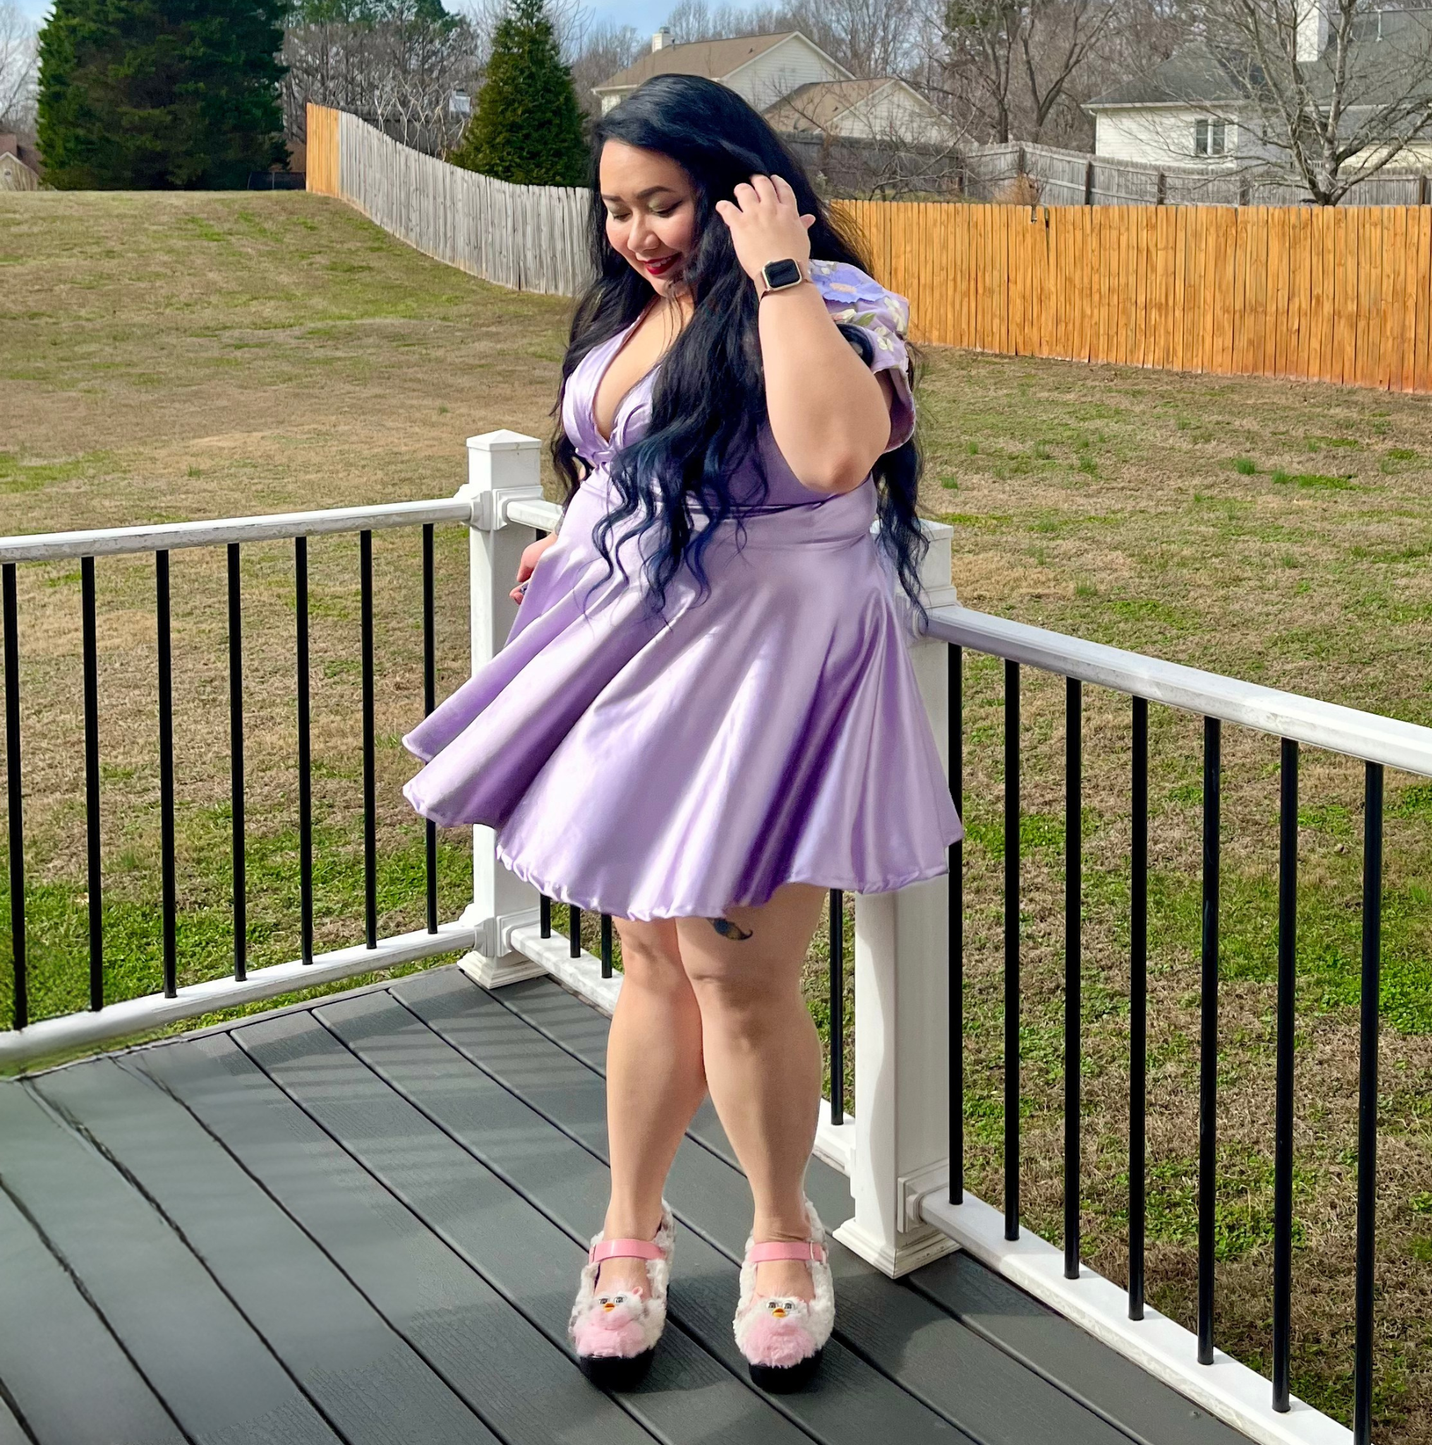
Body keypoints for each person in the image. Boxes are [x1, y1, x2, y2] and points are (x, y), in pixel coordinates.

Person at [400, 73, 962, 1394]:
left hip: (767, 676)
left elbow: (831, 458)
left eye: (663, 204)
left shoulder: (835, 309)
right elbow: (618, 459)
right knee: (651, 962)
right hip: (640, 665)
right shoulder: (638, 313)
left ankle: (783, 1237)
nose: (640, 234)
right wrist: (578, 542)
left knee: (742, 977)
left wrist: (779, 271)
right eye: (617, 210)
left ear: (737, 188)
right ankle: (629, 1232)